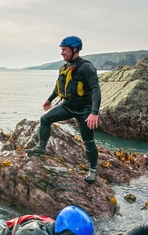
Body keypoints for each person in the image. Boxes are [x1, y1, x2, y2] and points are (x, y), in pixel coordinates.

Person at [25, 35, 101, 184]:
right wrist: (49, 99)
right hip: (67, 105)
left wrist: (94, 112)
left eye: (64, 50)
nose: (61, 53)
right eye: (61, 50)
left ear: (74, 49)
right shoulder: (64, 67)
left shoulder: (86, 67)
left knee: (88, 141)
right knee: (45, 119)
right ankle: (41, 148)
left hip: (84, 109)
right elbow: (59, 85)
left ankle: (93, 170)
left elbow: (96, 90)